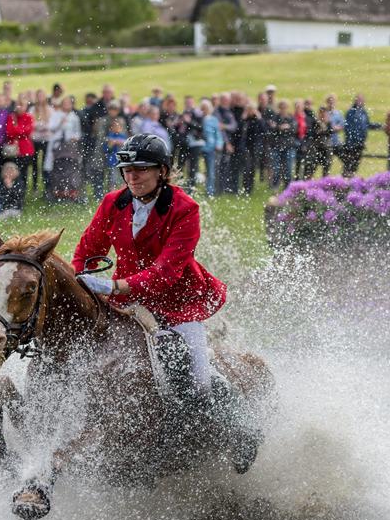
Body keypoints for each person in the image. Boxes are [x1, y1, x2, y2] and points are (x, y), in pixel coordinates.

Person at [71, 133, 257, 472]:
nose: (133, 176)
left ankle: (241, 427)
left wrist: (114, 285)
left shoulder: (185, 209)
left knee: (198, 378)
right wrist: (81, 278)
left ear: (162, 171)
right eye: (127, 169)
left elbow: (165, 272)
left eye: (142, 169)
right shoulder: (114, 202)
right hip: (124, 304)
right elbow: (87, 249)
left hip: (177, 302)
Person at [340, 95, 380, 177]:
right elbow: (349, 128)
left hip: (360, 143)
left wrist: (379, 126)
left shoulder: (363, 112)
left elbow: (367, 124)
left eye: (362, 100)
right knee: (348, 164)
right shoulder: (351, 112)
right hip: (351, 143)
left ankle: (351, 181)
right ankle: (344, 183)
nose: (360, 102)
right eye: (358, 100)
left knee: (355, 165)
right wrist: (352, 140)